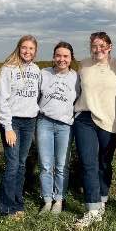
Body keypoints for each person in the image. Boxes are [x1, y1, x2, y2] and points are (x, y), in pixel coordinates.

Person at [73, 31, 116, 229]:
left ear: (109, 47)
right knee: (88, 162)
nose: (98, 49)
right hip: (85, 118)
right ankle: (92, 209)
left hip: (110, 121)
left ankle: (102, 198)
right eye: (94, 46)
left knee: (104, 162)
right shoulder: (83, 65)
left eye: (102, 46)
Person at [0, 35, 40, 219]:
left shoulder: (36, 70)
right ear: (18, 48)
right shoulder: (8, 69)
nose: (27, 51)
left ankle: (17, 201)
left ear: (35, 51)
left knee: (21, 164)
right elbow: (1, 99)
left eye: (31, 48)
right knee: (13, 164)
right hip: (12, 121)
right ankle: (6, 207)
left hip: (29, 121)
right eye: (24, 48)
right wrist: (7, 126)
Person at [37, 42, 79, 214]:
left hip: (65, 126)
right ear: (54, 57)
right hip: (44, 122)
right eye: (58, 56)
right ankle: (47, 200)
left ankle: (59, 200)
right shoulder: (44, 73)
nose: (62, 59)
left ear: (71, 58)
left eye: (65, 56)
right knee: (46, 164)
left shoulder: (76, 77)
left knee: (62, 165)